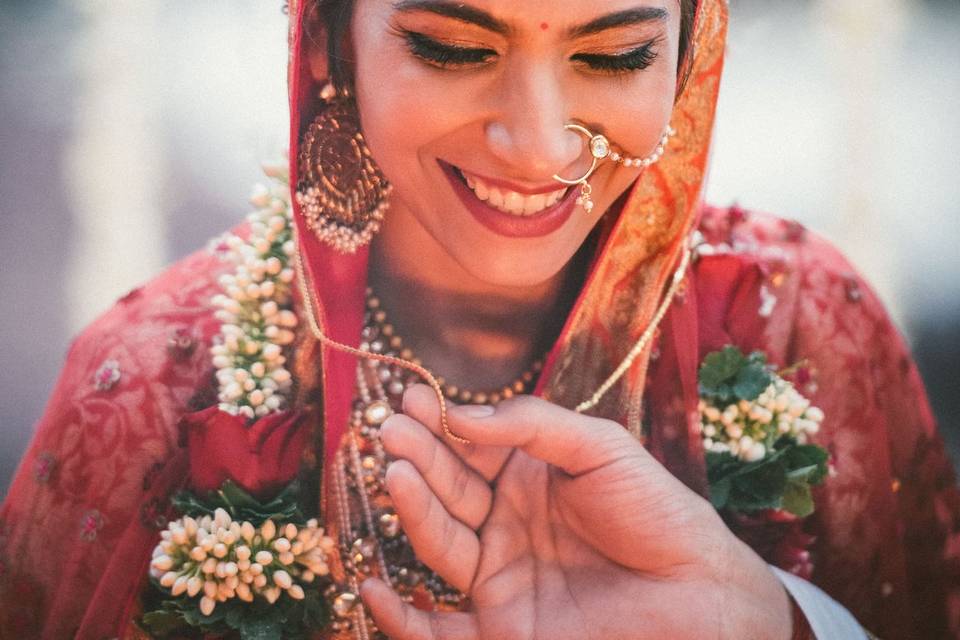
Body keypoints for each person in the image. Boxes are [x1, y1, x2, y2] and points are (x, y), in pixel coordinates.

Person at [1, 0, 957, 638]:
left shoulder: (798, 327)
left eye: (616, 55)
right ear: (329, 35)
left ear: (692, 45)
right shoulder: (158, 387)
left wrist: (767, 622)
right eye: (454, 48)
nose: (537, 143)